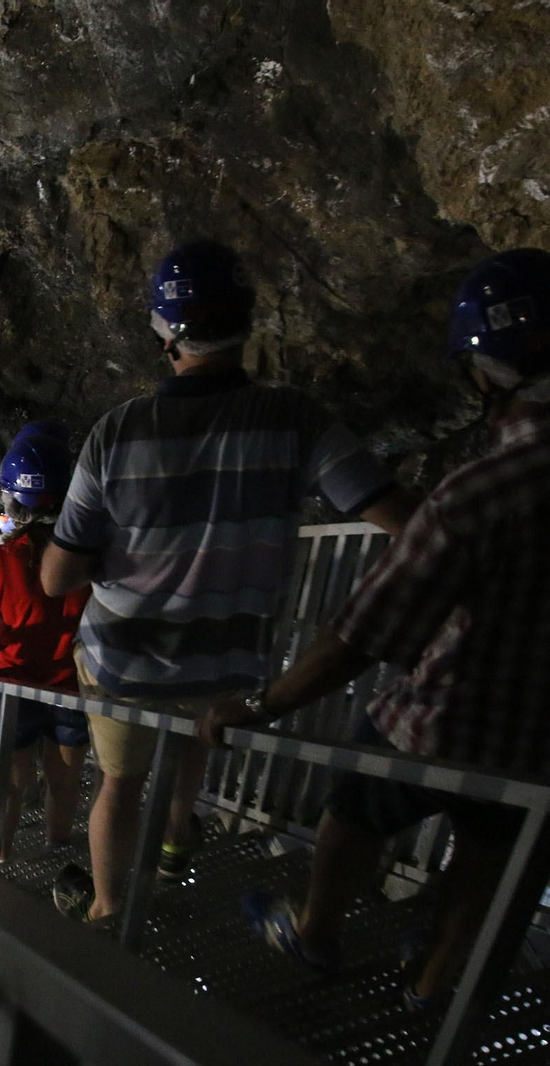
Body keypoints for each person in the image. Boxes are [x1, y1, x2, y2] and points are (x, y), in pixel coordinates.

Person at [198, 248, 550, 1010]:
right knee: (490, 854)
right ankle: (436, 989)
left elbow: (364, 632)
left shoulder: (484, 491)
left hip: (445, 720)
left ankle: (317, 929)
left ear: (492, 368)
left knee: (357, 804)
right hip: (538, 746)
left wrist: (259, 708)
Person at [39, 241, 415, 923]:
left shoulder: (117, 433)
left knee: (119, 784)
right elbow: (399, 516)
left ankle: (108, 907)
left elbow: (56, 576)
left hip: (125, 658)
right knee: (194, 737)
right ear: (245, 320)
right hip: (227, 659)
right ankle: (180, 831)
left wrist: (107, 557)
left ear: (164, 332)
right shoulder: (296, 421)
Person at [0, 423, 90, 864]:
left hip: (9, 685)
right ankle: (56, 852)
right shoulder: (92, 555)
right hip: (70, 685)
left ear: (12, 498)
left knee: (9, 777)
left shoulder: (0, 559)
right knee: (64, 777)